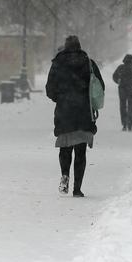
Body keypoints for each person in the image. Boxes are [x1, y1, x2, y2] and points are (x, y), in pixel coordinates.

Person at [45, 35, 105, 197]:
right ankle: (77, 188)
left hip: (65, 112)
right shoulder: (88, 63)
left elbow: (49, 89)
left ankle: (65, 175)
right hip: (83, 111)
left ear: (65, 47)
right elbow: (100, 85)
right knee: (80, 151)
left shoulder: (57, 64)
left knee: (65, 148)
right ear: (79, 47)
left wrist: (61, 98)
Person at [113, 53, 132, 131]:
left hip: (122, 89)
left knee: (123, 107)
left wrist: (118, 81)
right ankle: (130, 124)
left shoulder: (121, 67)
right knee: (131, 107)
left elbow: (114, 76)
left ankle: (124, 124)